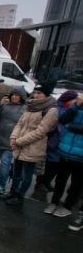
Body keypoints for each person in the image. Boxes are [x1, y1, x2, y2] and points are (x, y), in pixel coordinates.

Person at [2, 82, 58, 206]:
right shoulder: (30, 105)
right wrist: (14, 137)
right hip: (19, 144)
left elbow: (41, 131)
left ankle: (20, 196)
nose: (36, 95)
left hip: (33, 147)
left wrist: (20, 141)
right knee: (16, 171)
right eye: (35, 92)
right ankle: (13, 191)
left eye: (39, 93)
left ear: (46, 94)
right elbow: (20, 123)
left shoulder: (51, 109)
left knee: (26, 175)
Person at [44, 91, 83, 219]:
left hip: (80, 154)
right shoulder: (77, 107)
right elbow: (63, 120)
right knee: (60, 179)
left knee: (76, 183)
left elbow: (70, 125)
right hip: (65, 150)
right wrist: (76, 105)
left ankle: (67, 206)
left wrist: (71, 126)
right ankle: (54, 202)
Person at [0, 87, 27, 194]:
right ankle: (11, 178)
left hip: (12, 141)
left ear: (22, 97)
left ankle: (1, 184)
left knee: (5, 162)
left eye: (17, 95)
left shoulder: (25, 108)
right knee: (6, 163)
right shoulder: (5, 105)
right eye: (13, 95)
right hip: (0, 139)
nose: (14, 97)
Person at [37, 90, 78, 192]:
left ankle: (47, 182)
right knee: (49, 164)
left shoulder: (73, 109)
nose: (76, 101)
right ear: (68, 99)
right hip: (54, 141)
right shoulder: (57, 108)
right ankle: (40, 182)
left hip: (64, 142)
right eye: (74, 99)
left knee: (57, 166)